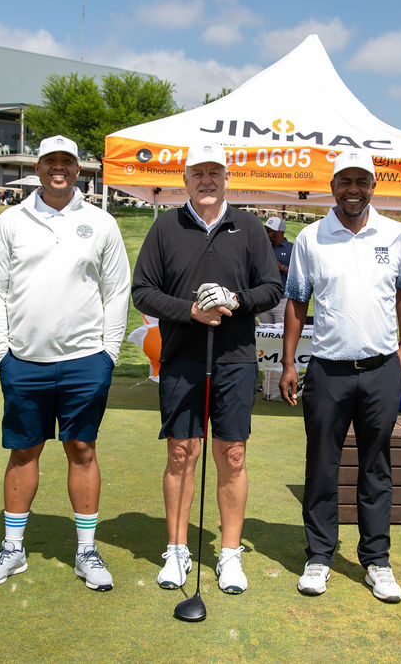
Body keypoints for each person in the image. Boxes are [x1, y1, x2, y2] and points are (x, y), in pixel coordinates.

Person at [0, 135, 131, 592]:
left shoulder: (100, 222)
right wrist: (1, 353)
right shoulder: (12, 220)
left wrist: (108, 354)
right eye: (50, 161)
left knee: (82, 449)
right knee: (24, 451)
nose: (58, 168)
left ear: (78, 169)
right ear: (38, 168)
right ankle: (13, 549)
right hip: (25, 360)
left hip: (85, 360)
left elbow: (117, 290)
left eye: (67, 162)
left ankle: (86, 551)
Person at [131, 143, 282, 595]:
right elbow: (143, 291)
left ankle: (229, 553)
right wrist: (190, 311)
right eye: (197, 173)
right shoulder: (166, 226)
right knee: (182, 453)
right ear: (185, 179)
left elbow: (272, 288)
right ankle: (177, 549)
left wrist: (237, 300)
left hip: (235, 359)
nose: (206, 180)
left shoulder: (249, 226)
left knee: (232, 454)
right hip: (182, 358)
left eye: (214, 172)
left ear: (227, 178)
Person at [279, 150, 401, 603]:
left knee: (376, 466)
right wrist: (288, 362)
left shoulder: (396, 234)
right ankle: (319, 556)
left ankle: (377, 561)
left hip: (381, 369)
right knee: (322, 466)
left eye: (361, 181)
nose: (352, 189)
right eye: (345, 181)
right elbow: (297, 301)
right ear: (332, 186)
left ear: (373, 186)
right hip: (328, 370)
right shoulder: (310, 237)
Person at [256, 216, 293, 325]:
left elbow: (299, 275)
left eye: (269, 231)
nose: (266, 233)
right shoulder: (264, 247)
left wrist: (281, 267)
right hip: (265, 300)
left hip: (282, 301)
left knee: (281, 333)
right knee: (265, 333)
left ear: (279, 233)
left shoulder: (292, 248)